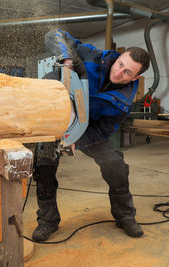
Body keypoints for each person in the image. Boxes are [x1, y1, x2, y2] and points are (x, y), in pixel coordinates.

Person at [32, 28, 150, 242]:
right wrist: (66, 58)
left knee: (116, 165)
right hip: (56, 119)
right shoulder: (92, 56)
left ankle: (125, 217)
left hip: (88, 129)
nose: (119, 72)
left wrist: (77, 138)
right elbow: (55, 34)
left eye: (127, 73)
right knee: (44, 166)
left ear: (137, 77)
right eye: (121, 64)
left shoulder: (123, 101)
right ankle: (48, 221)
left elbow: (104, 130)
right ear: (118, 57)